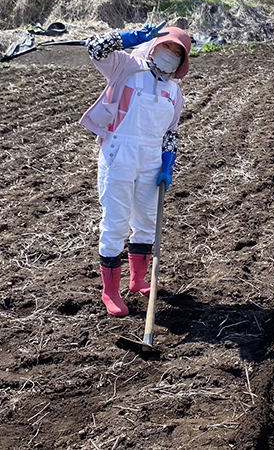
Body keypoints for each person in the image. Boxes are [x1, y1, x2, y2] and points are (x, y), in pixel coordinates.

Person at [79, 21, 191, 317]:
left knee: (147, 221)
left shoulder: (174, 92)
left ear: (182, 62)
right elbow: (94, 48)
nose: (169, 54)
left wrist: (169, 160)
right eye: (166, 45)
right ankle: (110, 291)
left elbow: (171, 131)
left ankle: (138, 279)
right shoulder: (127, 67)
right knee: (115, 222)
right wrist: (125, 38)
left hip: (152, 159)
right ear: (154, 46)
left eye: (177, 52)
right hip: (120, 153)